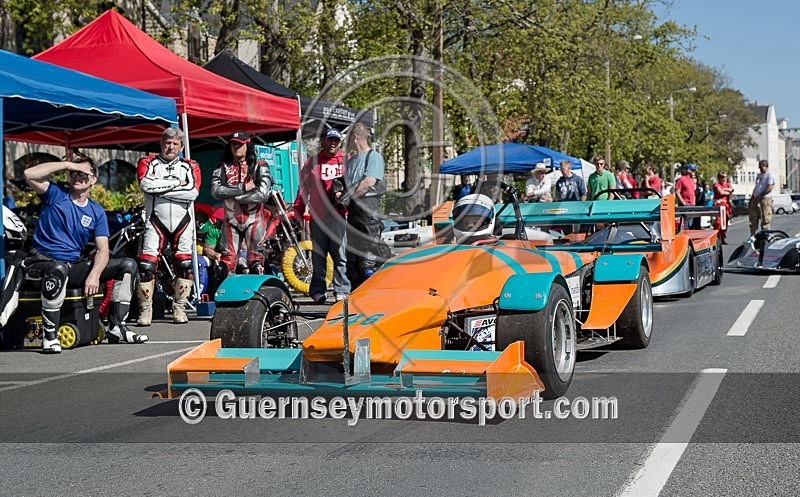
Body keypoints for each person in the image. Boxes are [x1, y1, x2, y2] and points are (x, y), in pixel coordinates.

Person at [23, 157, 146, 353]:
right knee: (58, 268)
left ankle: (117, 328)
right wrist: (67, 164)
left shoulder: (96, 211)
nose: (77, 176)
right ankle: (49, 337)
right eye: (74, 173)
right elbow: (29, 174)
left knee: (128, 265)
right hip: (42, 264)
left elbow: (103, 250)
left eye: (83, 173)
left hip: (72, 265)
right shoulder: (55, 194)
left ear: (93, 179)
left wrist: (94, 275)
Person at [136, 127, 201, 325]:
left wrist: (160, 188)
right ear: (161, 144)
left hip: (183, 222)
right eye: (167, 143)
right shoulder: (148, 162)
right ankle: (145, 310)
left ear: (181, 147)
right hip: (155, 219)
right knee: (146, 266)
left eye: (175, 144)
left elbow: (192, 192)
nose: (171, 147)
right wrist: (176, 183)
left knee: (184, 265)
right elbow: (145, 185)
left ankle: (180, 308)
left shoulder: (191, 165)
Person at [290, 128, 350, 304]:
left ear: (340, 143)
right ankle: (318, 291)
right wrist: (298, 212)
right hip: (318, 217)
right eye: (330, 139)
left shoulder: (347, 161)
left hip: (340, 215)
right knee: (318, 256)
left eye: (336, 141)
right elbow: (303, 190)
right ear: (323, 140)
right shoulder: (312, 163)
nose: (333, 143)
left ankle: (342, 290)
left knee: (340, 255)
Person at [210, 131, 273, 275]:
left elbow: (263, 194)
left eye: (240, 144)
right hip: (231, 219)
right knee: (226, 264)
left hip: (254, 219)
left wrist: (235, 196)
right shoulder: (221, 167)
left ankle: (257, 288)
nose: (236, 147)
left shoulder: (260, 165)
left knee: (256, 262)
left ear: (247, 145)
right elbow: (215, 191)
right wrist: (242, 188)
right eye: (233, 144)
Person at [342, 122, 390, 289]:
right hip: (353, 215)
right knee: (353, 263)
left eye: (347, 139)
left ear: (355, 137)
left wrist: (348, 197)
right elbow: (346, 184)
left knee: (368, 261)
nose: (346, 143)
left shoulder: (373, 157)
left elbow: (368, 182)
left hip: (369, 214)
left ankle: (376, 292)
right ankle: (357, 295)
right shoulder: (351, 162)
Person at [749, 159, 776, 235]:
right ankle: (753, 235)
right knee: (753, 217)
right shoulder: (759, 175)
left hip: (765, 199)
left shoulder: (769, 175)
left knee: (765, 218)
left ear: (766, 166)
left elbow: (769, 187)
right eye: (759, 167)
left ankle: (765, 234)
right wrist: (752, 198)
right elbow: (757, 187)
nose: (760, 169)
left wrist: (760, 195)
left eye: (761, 167)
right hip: (756, 198)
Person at [713, 171, 734, 243]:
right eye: (722, 177)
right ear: (719, 178)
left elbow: (732, 189)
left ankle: (722, 237)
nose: (724, 178)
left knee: (725, 222)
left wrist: (724, 189)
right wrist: (728, 192)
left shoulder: (727, 184)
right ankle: (716, 236)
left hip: (726, 205)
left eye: (725, 177)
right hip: (719, 205)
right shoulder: (716, 184)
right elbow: (720, 192)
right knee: (718, 222)